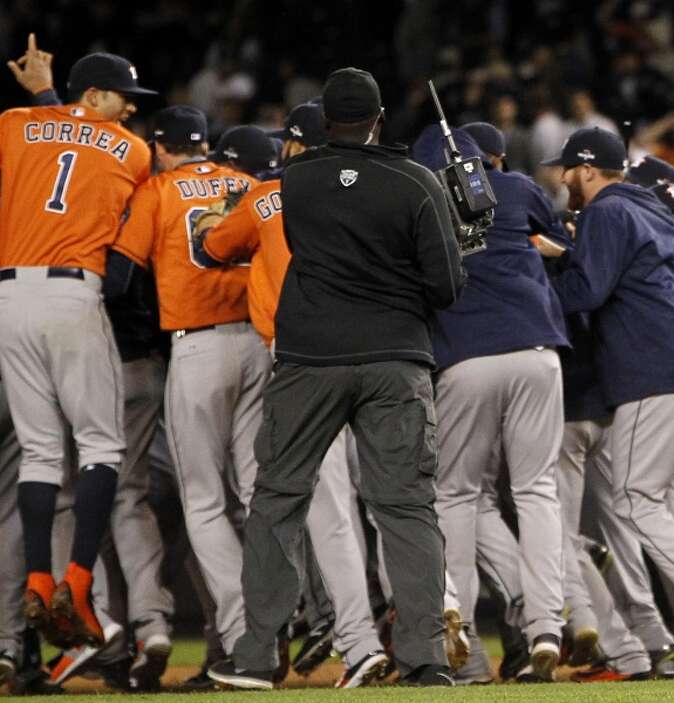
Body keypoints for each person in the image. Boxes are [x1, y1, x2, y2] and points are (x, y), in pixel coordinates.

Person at [206, 67, 465, 689]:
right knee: (405, 508)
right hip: (394, 360)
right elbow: (448, 287)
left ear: (325, 123)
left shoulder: (295, 180)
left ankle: (258, 657)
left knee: (276, 501)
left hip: (309, 359)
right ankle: (425, 659)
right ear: (380, 118)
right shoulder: (415, 179)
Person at [194, 101, 393, 689]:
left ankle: (336, 644)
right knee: (388, 506)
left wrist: (214, 219)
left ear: (297, 146)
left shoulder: (268, 194)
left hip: (303, 357)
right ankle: (386, 638)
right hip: (377, 352)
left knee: (305, 507)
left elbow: (211, 249)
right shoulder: (370, 189)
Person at [545, 127, 674, 674]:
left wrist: (530, 278)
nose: (563, 178)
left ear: (588, 170)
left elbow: (585, 293)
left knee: (637, 499)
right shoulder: (654, 209)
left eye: (567, 169)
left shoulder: (606, 211)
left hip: (659, 370)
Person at [7, 37, 175, 691]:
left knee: (41, 453)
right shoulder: (133, 152)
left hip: (9, 297)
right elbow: (85, 155)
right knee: (102, 445)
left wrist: (43, 97)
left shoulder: (14, 122)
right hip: (76, 291)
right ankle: (76, 585)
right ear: (94, 94)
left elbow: (52, 144)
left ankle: (40, 580)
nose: (130, 112)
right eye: (122, 99)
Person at [108, 106, 274, 678]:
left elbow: (120, 280)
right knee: (258, 495)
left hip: (198, 347)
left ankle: (245, 636)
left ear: (160, 146)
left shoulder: (157, 190)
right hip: (260, 343)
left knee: (203, 502)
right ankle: (281, 620)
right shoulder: (251, 184)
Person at [413, 123, 569, 682]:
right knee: (537, 490)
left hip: (465, 359)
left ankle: (467, 641)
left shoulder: (419, 197)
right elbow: (561, 243)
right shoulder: (517, 186)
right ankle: (547, 625)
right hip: (536, 349)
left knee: (454, 496)